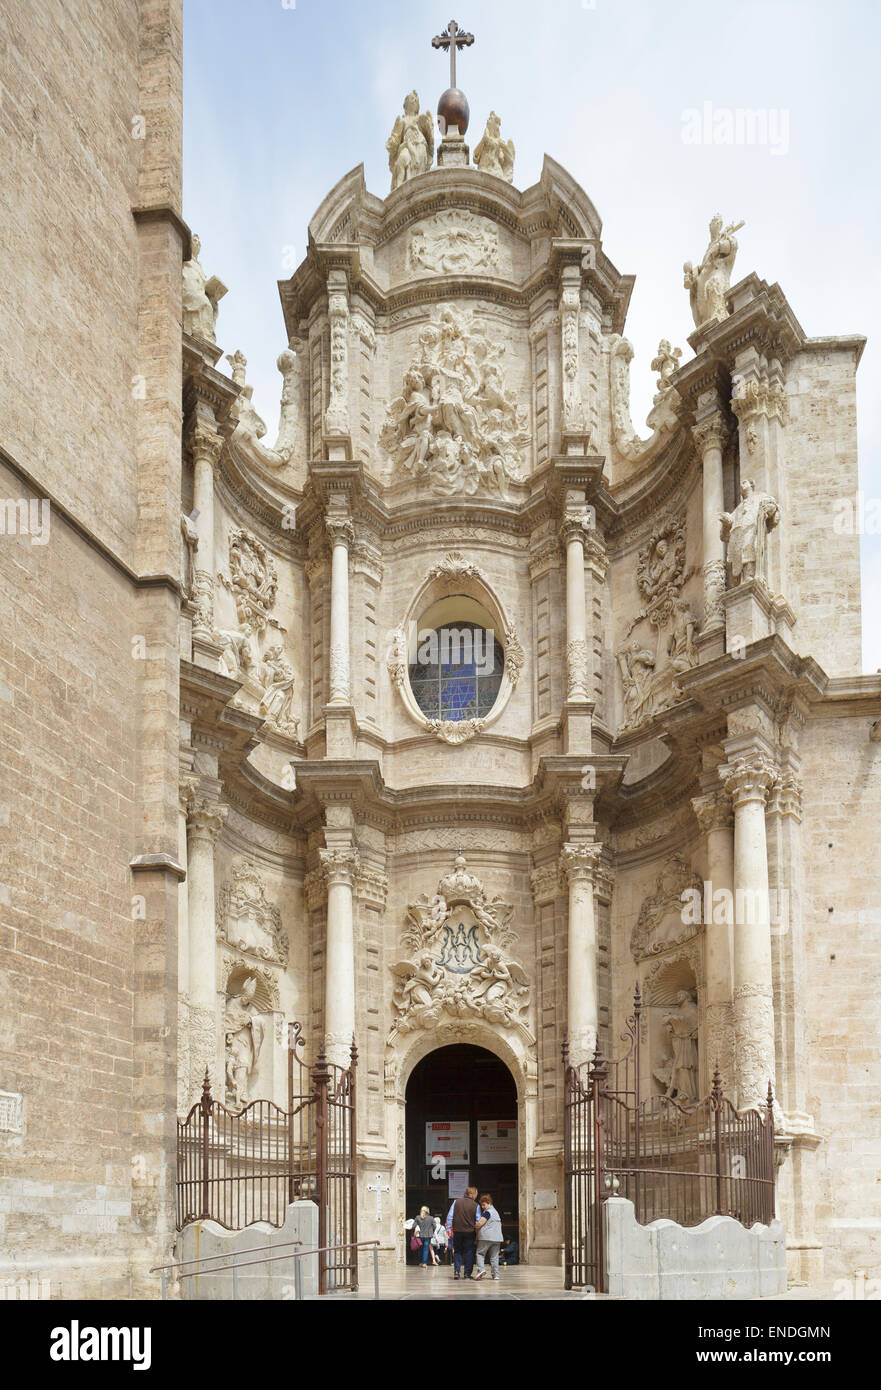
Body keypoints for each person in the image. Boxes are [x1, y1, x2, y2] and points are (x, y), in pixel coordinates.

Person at [446, 1185, 479, 1279]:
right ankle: (467, 1273)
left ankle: (457, 1271)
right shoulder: (476, 1205)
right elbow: (478, 1221)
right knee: (469, 1251)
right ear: (472, 1194)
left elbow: (450, 1216)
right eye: (476, 1194)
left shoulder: (456, 1202)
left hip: (457, 1231)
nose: (476, 1196)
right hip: (470, 1232)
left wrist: (448, 1229)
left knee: (457, 1251)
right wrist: (478, 1233)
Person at [473, 1193, 504, 1282]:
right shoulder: (496, 1212)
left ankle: (481, 1269)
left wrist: (474, 1226)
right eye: (481, 1205)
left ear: (489, 1203)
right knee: (494, 1257)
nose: (482, 1207)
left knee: (480, 1253)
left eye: (484, 1204)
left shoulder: (487, 1212)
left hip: (486, 1237)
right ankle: (496, 1275)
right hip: (497, 1238)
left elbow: (480, 1223)